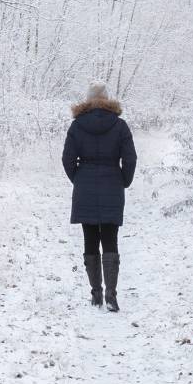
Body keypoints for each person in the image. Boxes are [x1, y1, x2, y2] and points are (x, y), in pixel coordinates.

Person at [62, 81, 137, 312]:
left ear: (87, 99)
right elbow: (130, 158)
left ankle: (96, 294)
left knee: (90, 238)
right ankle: (111, 295)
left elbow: (67, 159)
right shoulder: (120, 125)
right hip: (112, 185)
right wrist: (123, 180)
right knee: (110, 238)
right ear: (107, 99)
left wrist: (79, 178)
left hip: (85, 186)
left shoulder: (76, 126)